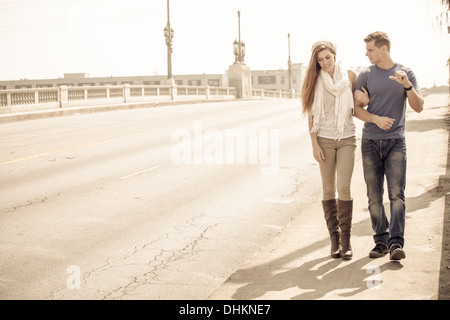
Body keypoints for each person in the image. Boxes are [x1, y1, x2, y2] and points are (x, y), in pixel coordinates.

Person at [353, 31, 424, 261]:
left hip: (396, 142)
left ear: (384, 48)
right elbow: (356, 110)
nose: (367, 54)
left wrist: (407, 87)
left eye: (370, 49)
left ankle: (396, 244)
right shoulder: (365, 75)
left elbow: (419, 106)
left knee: (396, 195)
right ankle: (381, 241)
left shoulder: (405, 73)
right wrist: (375, 118)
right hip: (370, 143)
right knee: (374, 197)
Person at [301, 40, 369, 260]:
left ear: (335, 55)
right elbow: (311, 115)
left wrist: (366, 101)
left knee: (344, 188)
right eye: (320, 60)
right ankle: (334, 240)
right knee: (328, 190)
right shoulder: (314, 80)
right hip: (325, 139)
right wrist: (314, 144)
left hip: (347, 137)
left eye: (328, 58)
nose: (325, 63)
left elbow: (359, 106)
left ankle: (346, 241)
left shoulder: (349, 76)